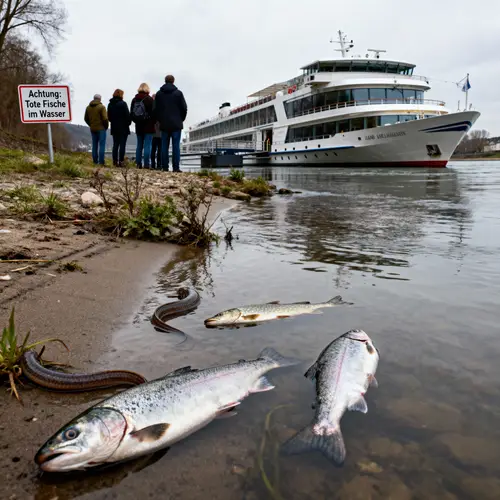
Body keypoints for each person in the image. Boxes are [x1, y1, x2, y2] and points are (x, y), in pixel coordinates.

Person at [153, 74, 187, 172]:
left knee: (164, 146)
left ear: (165, 81)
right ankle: (176, 168)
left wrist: (160, 120)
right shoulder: (178, 93)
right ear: (173, 81)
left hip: (164, 124)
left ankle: (165, 167)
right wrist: (181, 119)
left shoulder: (159, 94)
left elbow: (155, 110)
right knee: (176, 146)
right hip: (176, 123)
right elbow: (184, 108)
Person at [130, 83, 155, 168]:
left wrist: (137, 121)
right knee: (148, 145)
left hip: (139, 126)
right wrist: (152, 122)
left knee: (139, 146)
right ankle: (147, 164)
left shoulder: (134, 100)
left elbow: (131, 114)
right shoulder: (150, 99)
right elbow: (154, 114)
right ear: (147, 89)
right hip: (149, 126)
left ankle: (138, 164)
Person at [107, 89, 131, 167]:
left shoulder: (110, 104)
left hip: (114, 127)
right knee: (122, 145)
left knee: (115, 144)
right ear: (121, 95)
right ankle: (121, 161)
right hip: (123, 128)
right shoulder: (123, 104)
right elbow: (128, 116)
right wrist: (128, 123)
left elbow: (109, 117)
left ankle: (114, 161)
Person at [84, 94, 108, 165]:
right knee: (102, 145)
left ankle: (95, 161)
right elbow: (105, 118)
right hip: (101, 129)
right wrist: (106, 126)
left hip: (93, 129)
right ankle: (101, 162)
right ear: (100, 99)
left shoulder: (88, 108)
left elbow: (86, 119)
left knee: (94, 145)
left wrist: (91, 125)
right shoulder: (102, 107)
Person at [150, 93, 162, 170]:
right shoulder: (161, 106)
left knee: (153, 149)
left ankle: (153, 165)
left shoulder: (151, 106)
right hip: (160, 131)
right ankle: (159, 165)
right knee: (160, 149)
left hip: (153, 131)